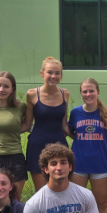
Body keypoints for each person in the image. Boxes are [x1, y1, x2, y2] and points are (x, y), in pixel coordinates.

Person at [68, 78, 107, 213]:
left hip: (100, 166)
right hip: (78, 165)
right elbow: (70, 130)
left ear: (98, 92)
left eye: (91, 91)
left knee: (101, 202)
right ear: (81, 93)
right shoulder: (75, 113)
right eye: (84, 91)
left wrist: (101, 142)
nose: (88, 94)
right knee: (77, 204)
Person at [24, 56, 70, 191]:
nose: (53, 76)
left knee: (61, 190)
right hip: (37, 146)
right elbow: (27, 124)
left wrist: (84, 138)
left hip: (60, 146)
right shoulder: (32, 94)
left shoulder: (65, 94)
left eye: (57, 73)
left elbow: (65, 125)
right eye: (50, 72)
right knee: (43, 192)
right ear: (42, 73)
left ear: (61, 75)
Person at [0, 71, 29, 201]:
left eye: (6, 86)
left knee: (14, 203)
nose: (1, 89)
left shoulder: (21, 107)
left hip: (14, 158)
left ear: (12, 89)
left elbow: (28, 126)